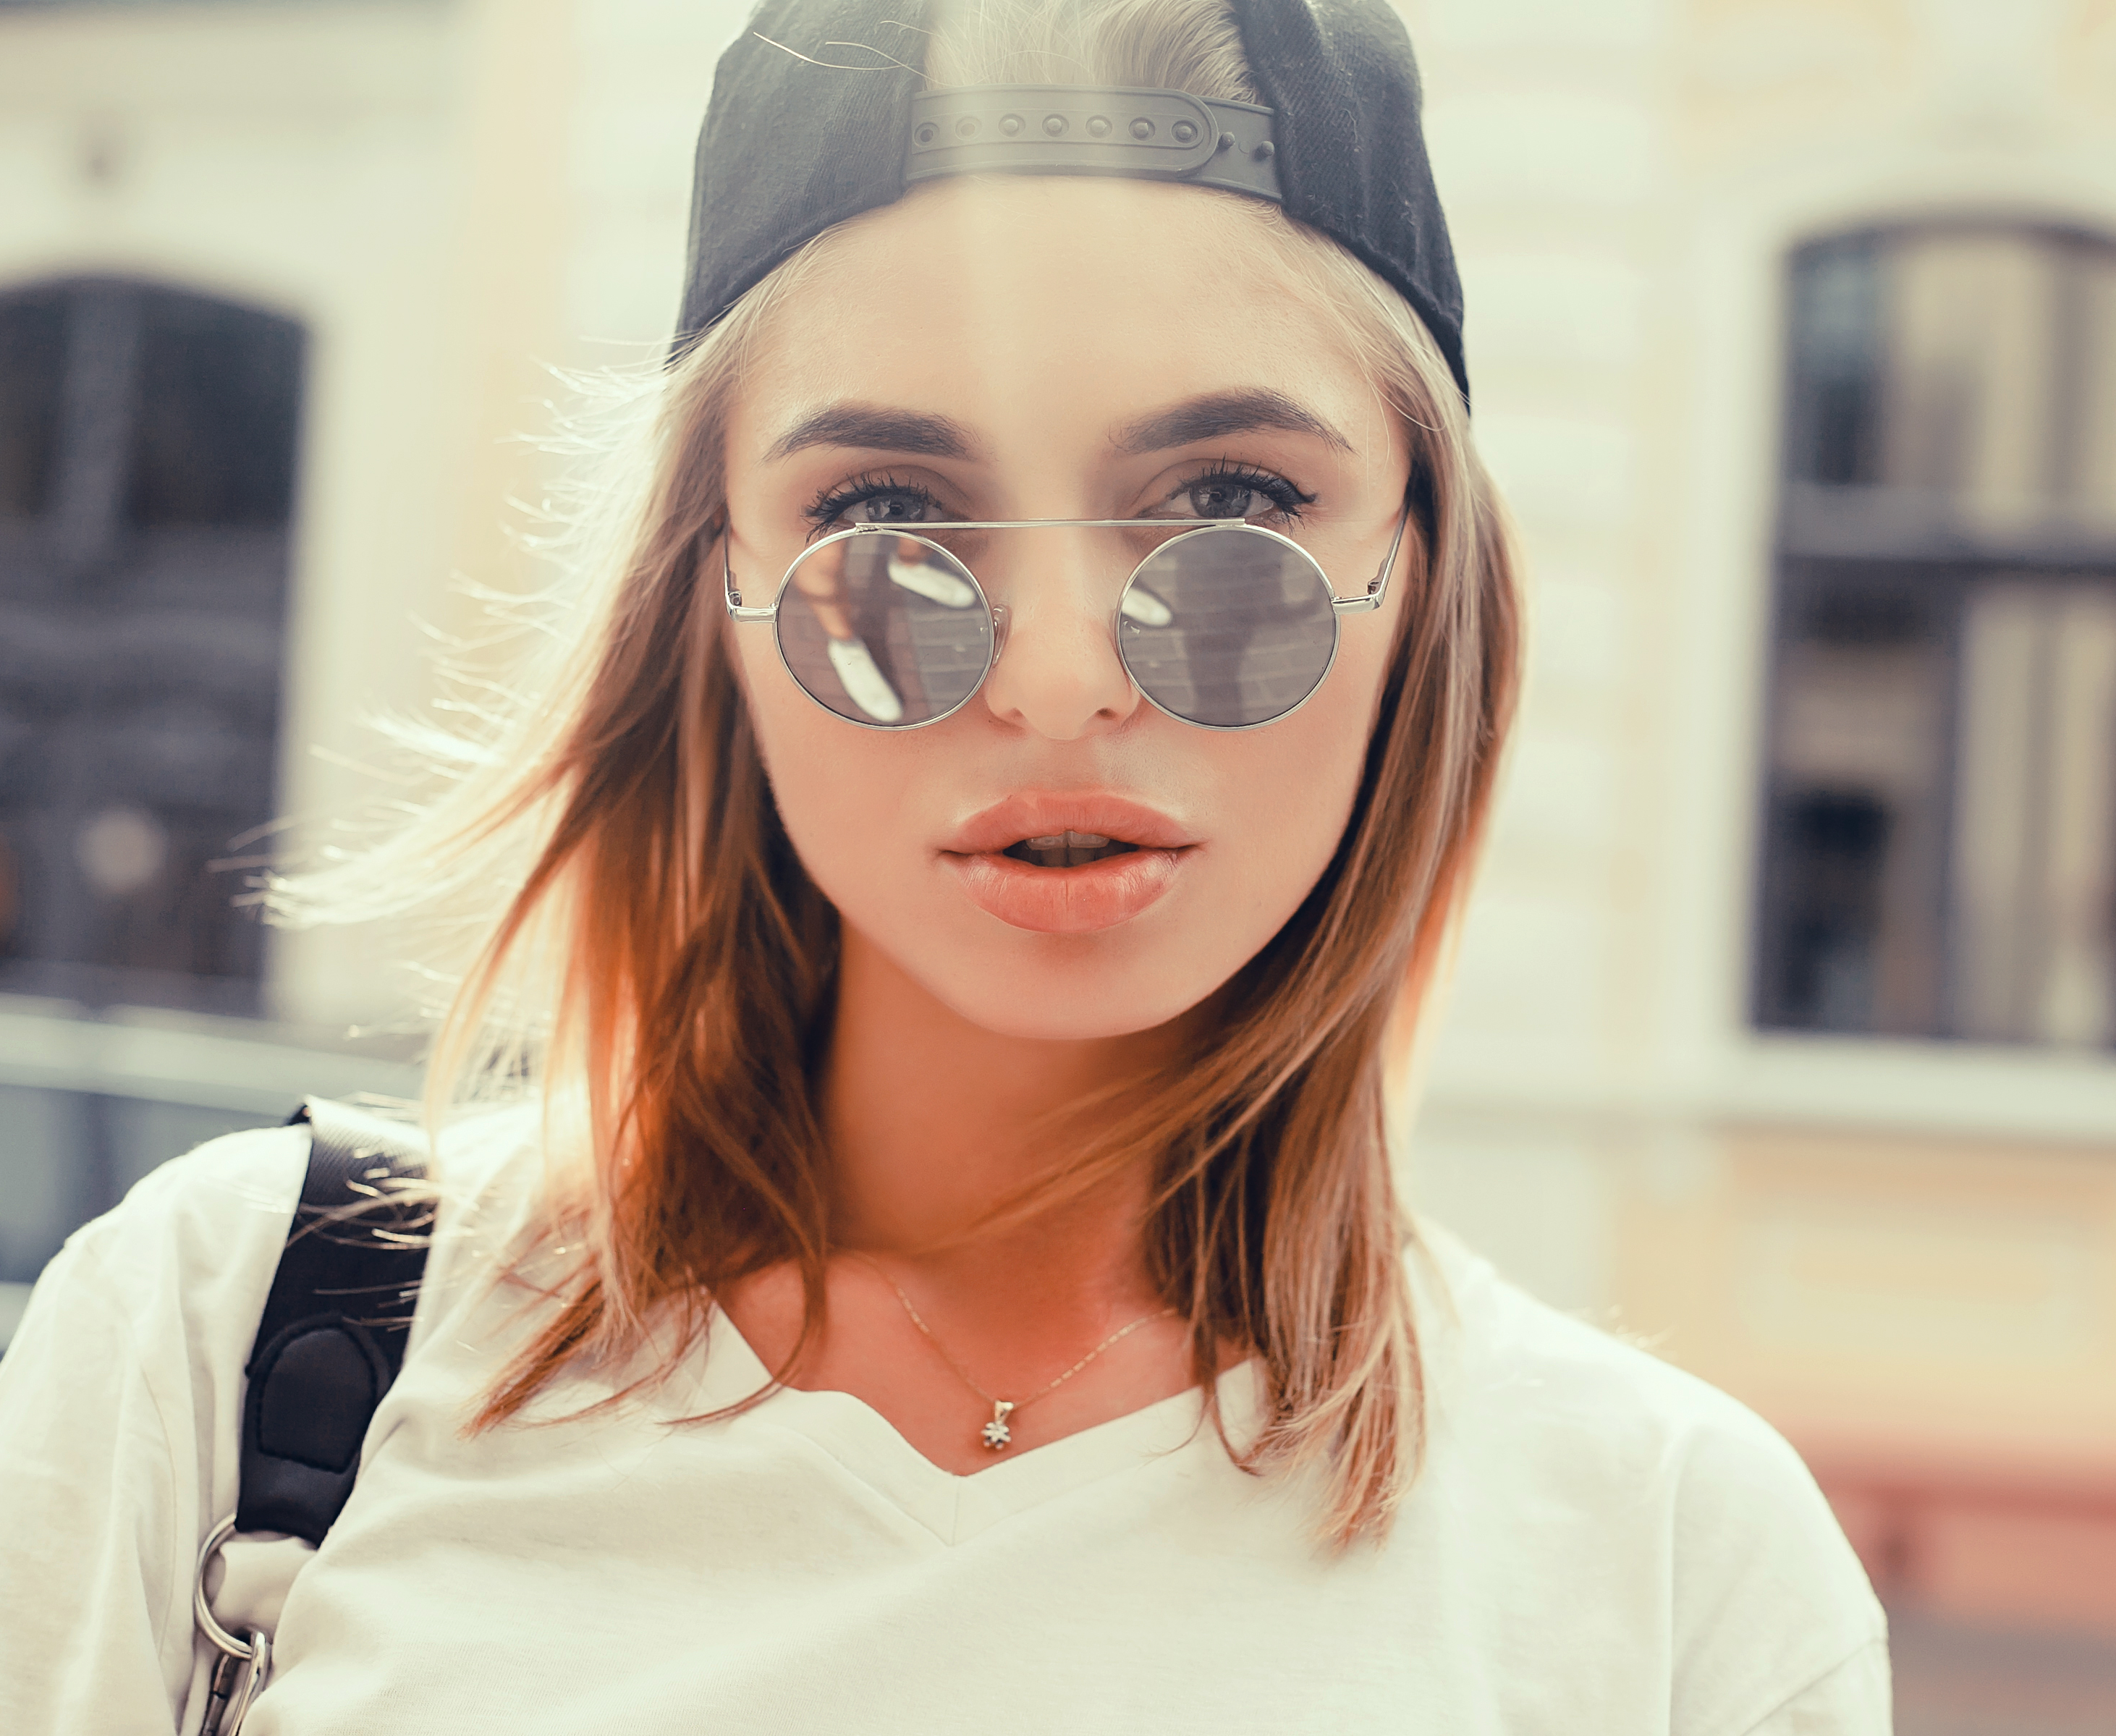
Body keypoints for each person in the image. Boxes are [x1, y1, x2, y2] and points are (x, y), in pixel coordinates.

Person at [0, 0, 1892, 1729]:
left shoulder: (1674, 1576)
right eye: (886, 512)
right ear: (712, 600)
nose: (1058, 676)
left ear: (1426, 583)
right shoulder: (232, 1350)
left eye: (1232, 503)